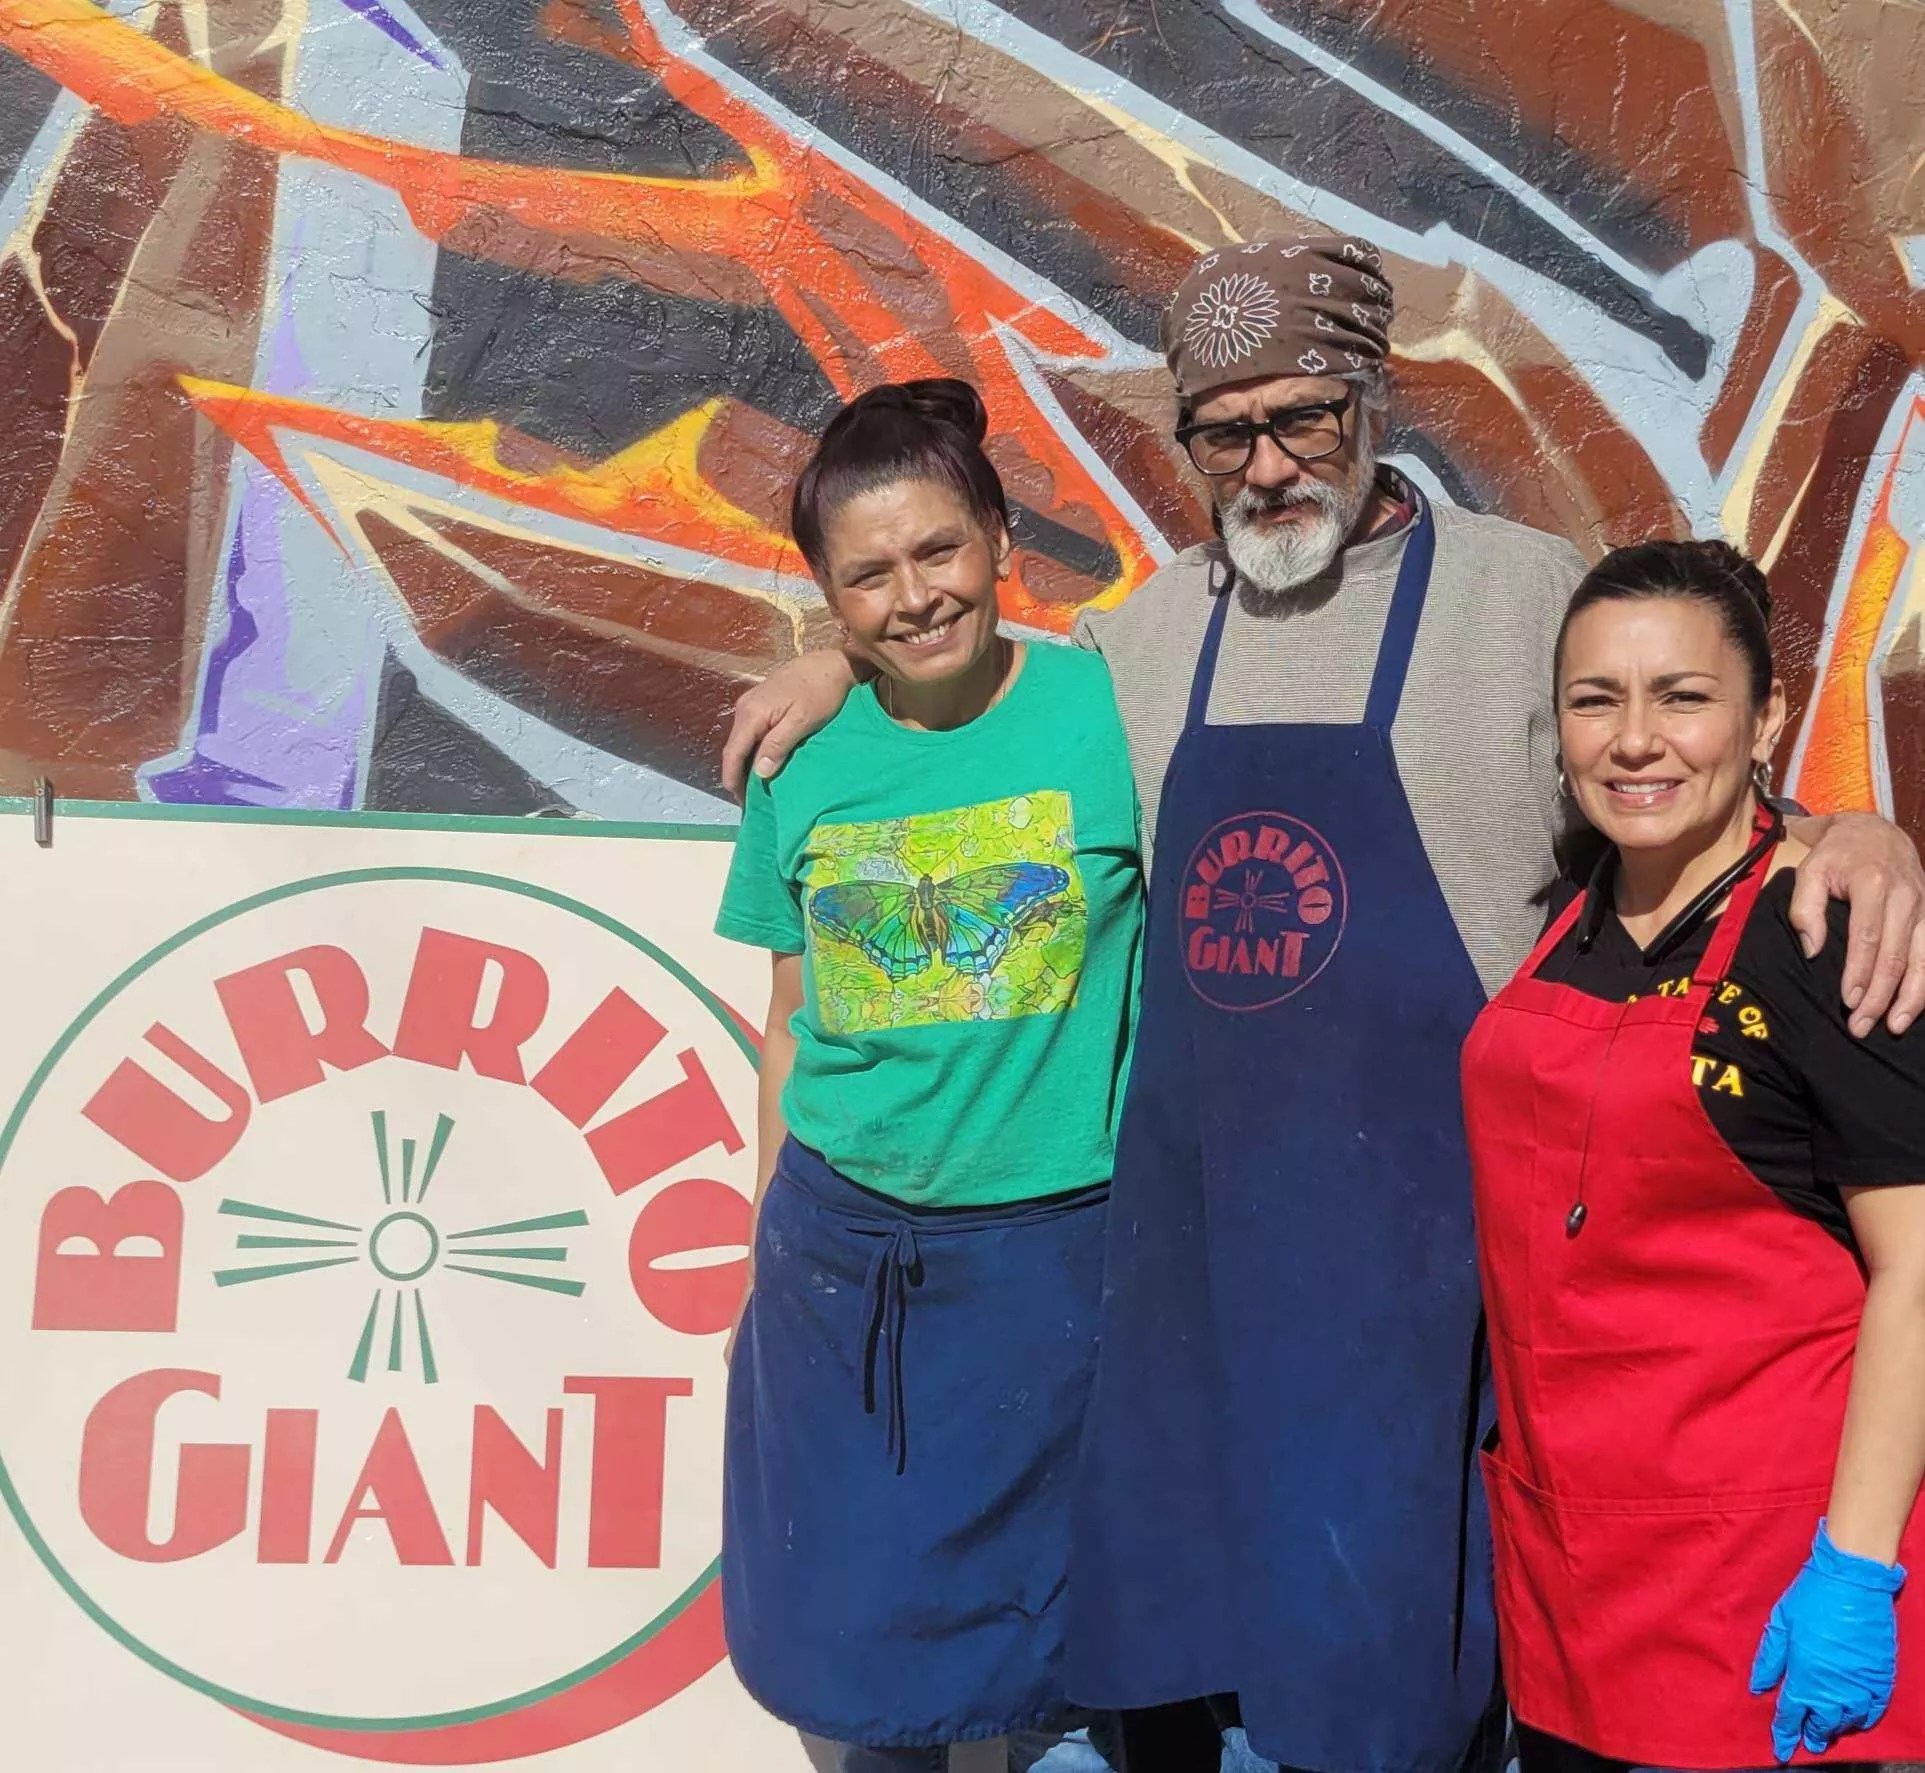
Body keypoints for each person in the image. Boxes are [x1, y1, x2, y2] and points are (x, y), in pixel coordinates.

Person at [722, 237, 1925, 1773]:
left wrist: (1846, 832)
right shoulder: (1142, 638)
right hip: (1193, 1283)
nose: (1270, 464)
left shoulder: (1521, 595)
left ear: (1377, 399)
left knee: (1394, 1693)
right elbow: (953, 687)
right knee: (1176, 1670)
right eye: (1224, 433)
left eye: (1306, 416)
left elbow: (1670, 768)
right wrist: (830, 667)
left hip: (1427, 1270)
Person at [714, 378, 1142, 1773]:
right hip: (845, 1261)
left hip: (1057, 1260)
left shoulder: (1114, 716)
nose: (913, 597)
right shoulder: (796, 756)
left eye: (939, 549)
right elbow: (790, 1014)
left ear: (1001, 537)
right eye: (868, 575)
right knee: (860, 1651)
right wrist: (767, 1241)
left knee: (1054, 1648)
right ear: (826, 597)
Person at [1463, 540, 1925, 1772]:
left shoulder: (1825, 934)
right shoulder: (1568, 904)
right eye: (1593, 700)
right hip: (1571, 1572)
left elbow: (1918, 1272)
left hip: (1760, 1588)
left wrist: (1854, 1569)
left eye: (1681, 697)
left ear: (1763, 717)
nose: (1633, 741)